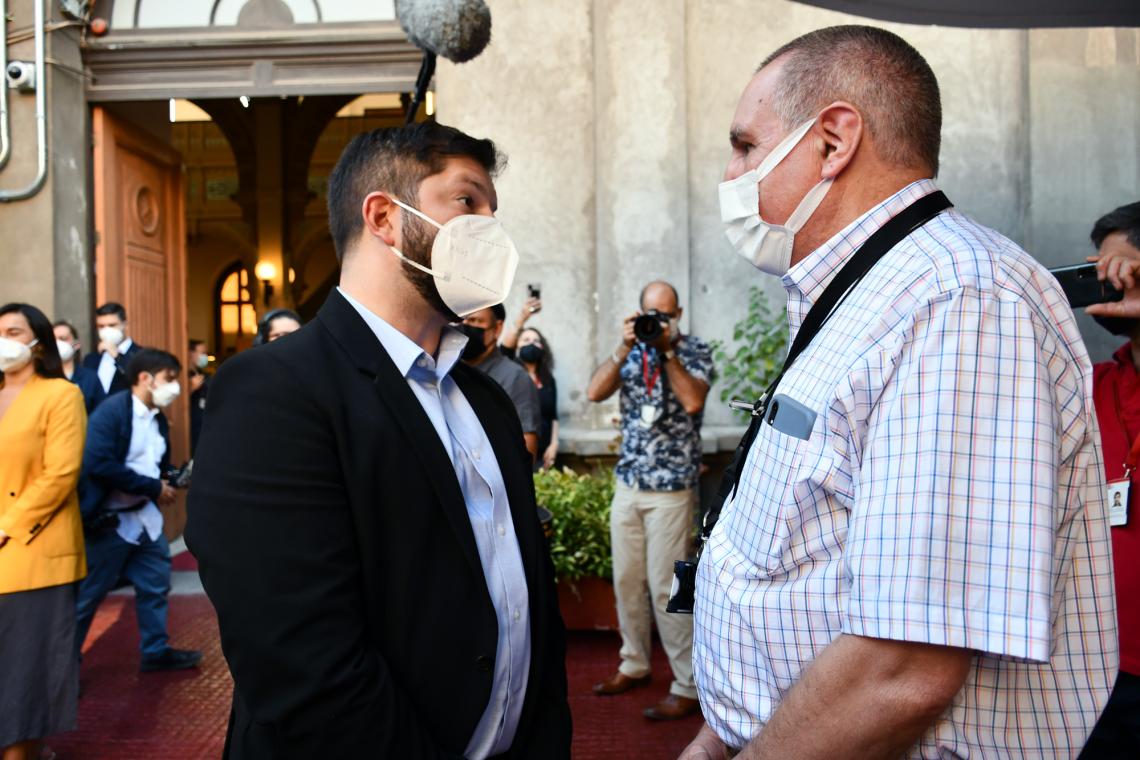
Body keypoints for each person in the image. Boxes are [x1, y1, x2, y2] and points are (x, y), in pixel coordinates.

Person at [681, 25, 1117, 760]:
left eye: (746, 145)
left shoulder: (958, 302)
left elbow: (903, 670)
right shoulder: (872, 293)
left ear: (833, 140)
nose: (731, 173)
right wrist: (718, 737)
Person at [185, 121, 571, 758]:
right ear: (385, 218)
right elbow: (303, 662)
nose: (489, 231)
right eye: (468, 202)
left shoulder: (487, 399)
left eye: (493, 212)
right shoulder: (271, 393)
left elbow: (523, 601)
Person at [585, 280, 713, 721]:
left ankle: (687, 684)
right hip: (630, 482)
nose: (657, 320)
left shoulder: (693, 350)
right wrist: (624, 349)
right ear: (637, 313)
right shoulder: (631, 351)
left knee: (667, 587)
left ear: (677, 315)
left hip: (672, 489)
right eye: (650, 314)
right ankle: (634, 664)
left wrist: (667, 350)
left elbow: (693, 401)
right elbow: (594, 391)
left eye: (665, 314)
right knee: (625, 580)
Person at [74, 348, 203, 673]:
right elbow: (98, 463)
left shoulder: (158, 419)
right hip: (109, 523)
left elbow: (154, 466)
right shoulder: (111, 413)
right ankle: (64, 666)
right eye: (169, 379)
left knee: (155, 584)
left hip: (144, 520)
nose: (174, 387)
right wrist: (153, 487)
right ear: (145, 378)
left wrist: (173, 477)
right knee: (88, 598)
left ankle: (155, 650)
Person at [0, 303, 87, 760]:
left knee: (24, 663)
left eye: (13, 331)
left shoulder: (60, 394)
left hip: (32, 546)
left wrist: (6, 526)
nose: (4, 339)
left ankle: (23, 750)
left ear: (37, 342)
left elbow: (61, 473)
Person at [1081, 201, 1140, 759]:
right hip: (1100, 671)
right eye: (1099, 266)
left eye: (1126, 268)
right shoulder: (1091, 387)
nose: (1109, 279)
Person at [461, 304, 542, 460]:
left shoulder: (514, 378)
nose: (465, 327)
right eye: (461, 321)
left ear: (497, 329)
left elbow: (526, 451)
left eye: (475, 321)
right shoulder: (447, 372)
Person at [501, 299, 560, 469]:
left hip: (545, 455)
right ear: (517, 346)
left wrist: (554, 444)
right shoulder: (511, 374)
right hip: (517, 451)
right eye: (526, 340)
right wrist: (522, 318)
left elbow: (554, 416)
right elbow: (505, 347)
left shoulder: (549, 380)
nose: (531, 344)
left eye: (535, 340)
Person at [82, 302, 142, 397]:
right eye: (101, 326)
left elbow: (140, 383)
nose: (106, 330)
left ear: (125, 325)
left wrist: (117, 356)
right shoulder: (91, 359)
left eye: (112, 325)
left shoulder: (141, 354)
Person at [54, 320, 105, 413]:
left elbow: (101, 412)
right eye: (53, 340)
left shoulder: (90, 378)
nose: (57, 343)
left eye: (63, 338)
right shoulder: (42, 377)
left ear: (76, 345)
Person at [187, 339, 210, 455]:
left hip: (204, 429)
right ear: (190, 353)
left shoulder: (203, 375)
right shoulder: (184, 376)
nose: (204, 357)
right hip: (190, 431)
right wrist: (191, 388)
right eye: (202, 353)